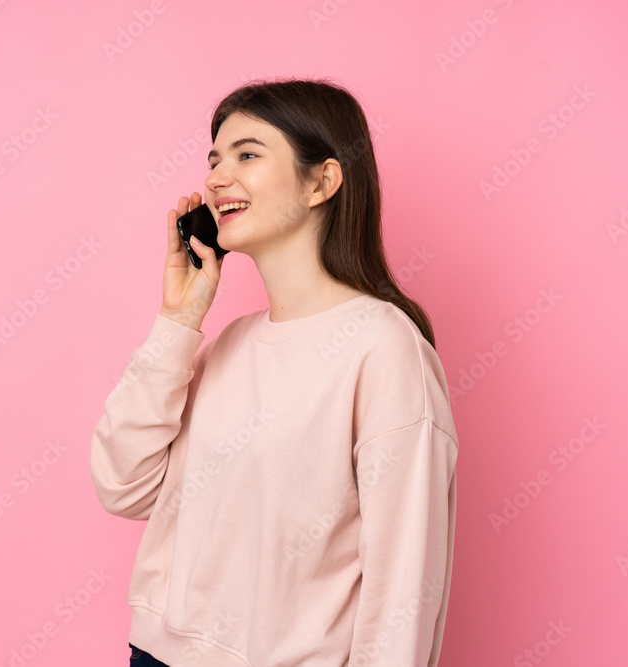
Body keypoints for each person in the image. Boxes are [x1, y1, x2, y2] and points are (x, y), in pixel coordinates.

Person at [91, 78, 458, 666]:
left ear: (322, 182)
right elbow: (123, 486)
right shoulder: (227, 345)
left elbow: (403, 589)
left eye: (247, 154)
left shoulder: (384, 350)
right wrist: (178, 320)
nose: (216, 177)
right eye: (214, 159)